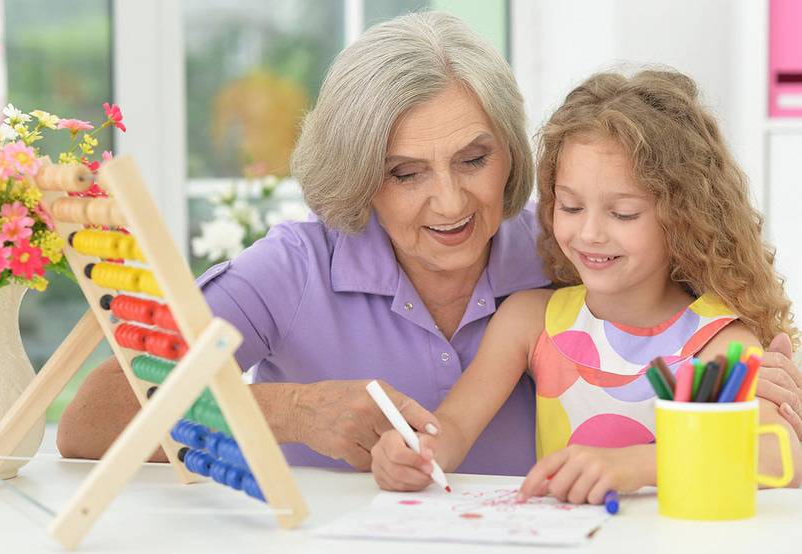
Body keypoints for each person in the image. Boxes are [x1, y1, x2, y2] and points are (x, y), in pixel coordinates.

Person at [57, 12, 802, 474]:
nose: (450, 203)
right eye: (405, 173)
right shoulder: (292, 269)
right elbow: (89, 424)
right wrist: (289, 412)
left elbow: (717, 362)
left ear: (513, 153)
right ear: (358, 177)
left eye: (474, 160)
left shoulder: (568, 247)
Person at [370, 69, 802, 500]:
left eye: (624, 213)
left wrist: (637, 465)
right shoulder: (532, 319)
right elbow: (456, 426)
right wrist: (418, 449)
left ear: (683, 218)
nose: (590, 233)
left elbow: (779, 460)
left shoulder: (718, 343)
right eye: (571, 206)